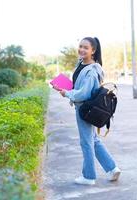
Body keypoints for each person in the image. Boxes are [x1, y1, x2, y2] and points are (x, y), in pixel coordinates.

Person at [52, 37, 121, 185]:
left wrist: (67, 94)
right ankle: (112, 168)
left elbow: (84, 93)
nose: (82, 50)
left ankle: (88, 176)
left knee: (86, 142)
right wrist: (63, 87)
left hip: (86, 109)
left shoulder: (91, 70)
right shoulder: (81, 64)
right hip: (85, 107)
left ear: (93, 51)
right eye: (80, 46)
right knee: (93, 140)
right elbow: (78, 87)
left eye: (86, 47)